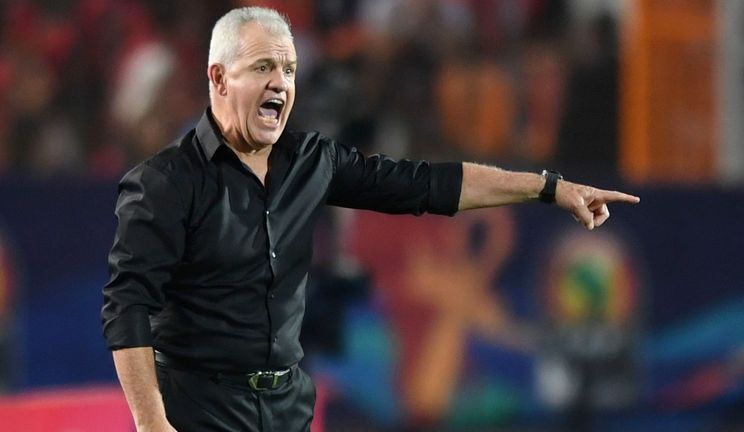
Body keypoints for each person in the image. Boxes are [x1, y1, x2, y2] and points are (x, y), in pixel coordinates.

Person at [101, 6, 639, 432]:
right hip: (199, 412)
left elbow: (430, 185)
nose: (281, 84)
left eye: (289, 70)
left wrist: (549, 187)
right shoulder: (164, 182)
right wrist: (152, 423)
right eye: (263, 67)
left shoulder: (311, 162)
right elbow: (127, 306)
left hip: (286, 410)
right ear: (218, 78)